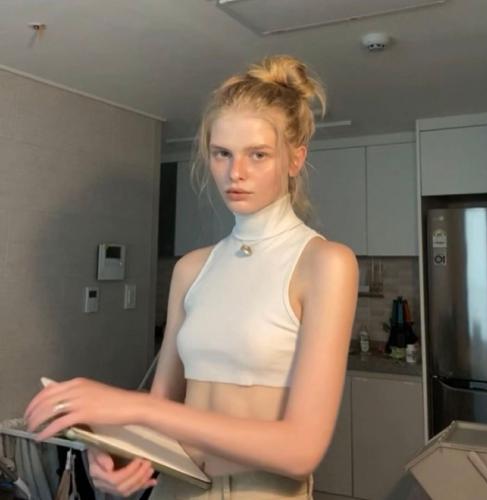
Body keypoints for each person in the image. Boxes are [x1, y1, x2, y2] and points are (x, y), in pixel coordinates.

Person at [24, 54, 359, 499]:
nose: (235, 173)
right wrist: (118, 453)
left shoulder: (325, 263)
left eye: (258, 154)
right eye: (222, 154)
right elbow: (161, 408)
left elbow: (301, 450)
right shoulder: (192, 269)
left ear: (295, 158)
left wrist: (128, 406)